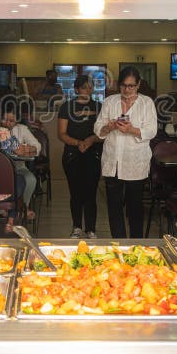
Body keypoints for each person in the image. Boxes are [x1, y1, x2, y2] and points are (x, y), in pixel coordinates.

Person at [94, 66, 157, 238]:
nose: (127, 90)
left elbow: (151, 131)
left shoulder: (146, 103)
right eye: (123, 85)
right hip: (112, 161)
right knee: (114, 207)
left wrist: (132, 129)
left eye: (131, 86)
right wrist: (109, 126)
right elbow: (98, 129)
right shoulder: (110, 102)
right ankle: (119, 245)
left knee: (134, 207)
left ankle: (137, 244)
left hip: (135, 163)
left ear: (138, 85)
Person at [58, 75, 103, 239]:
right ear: (76, 90)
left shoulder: (99, 107)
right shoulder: (66, 107)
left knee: (91, 193)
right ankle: (76, 227)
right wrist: (78, 143)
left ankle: (91, 229)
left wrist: (91, 140)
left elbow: (103, 133)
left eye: (90, 87)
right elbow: (61, 134)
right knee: (75, 192)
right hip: (72, 154)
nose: (88, 90)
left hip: (93, 153)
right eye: (84, 87)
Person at [0, 110, 40, 221]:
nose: (8, 123)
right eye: (5, 119)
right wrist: (21, 149)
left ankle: (23, 207)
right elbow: (17, 149)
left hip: (18, 166)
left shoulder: (21, 129)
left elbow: (36, 145)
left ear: (17, 122)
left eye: (12, 121)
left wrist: (31, 148)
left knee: (30, 179)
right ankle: (5, 209)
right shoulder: (0, 131)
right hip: (1, 169)